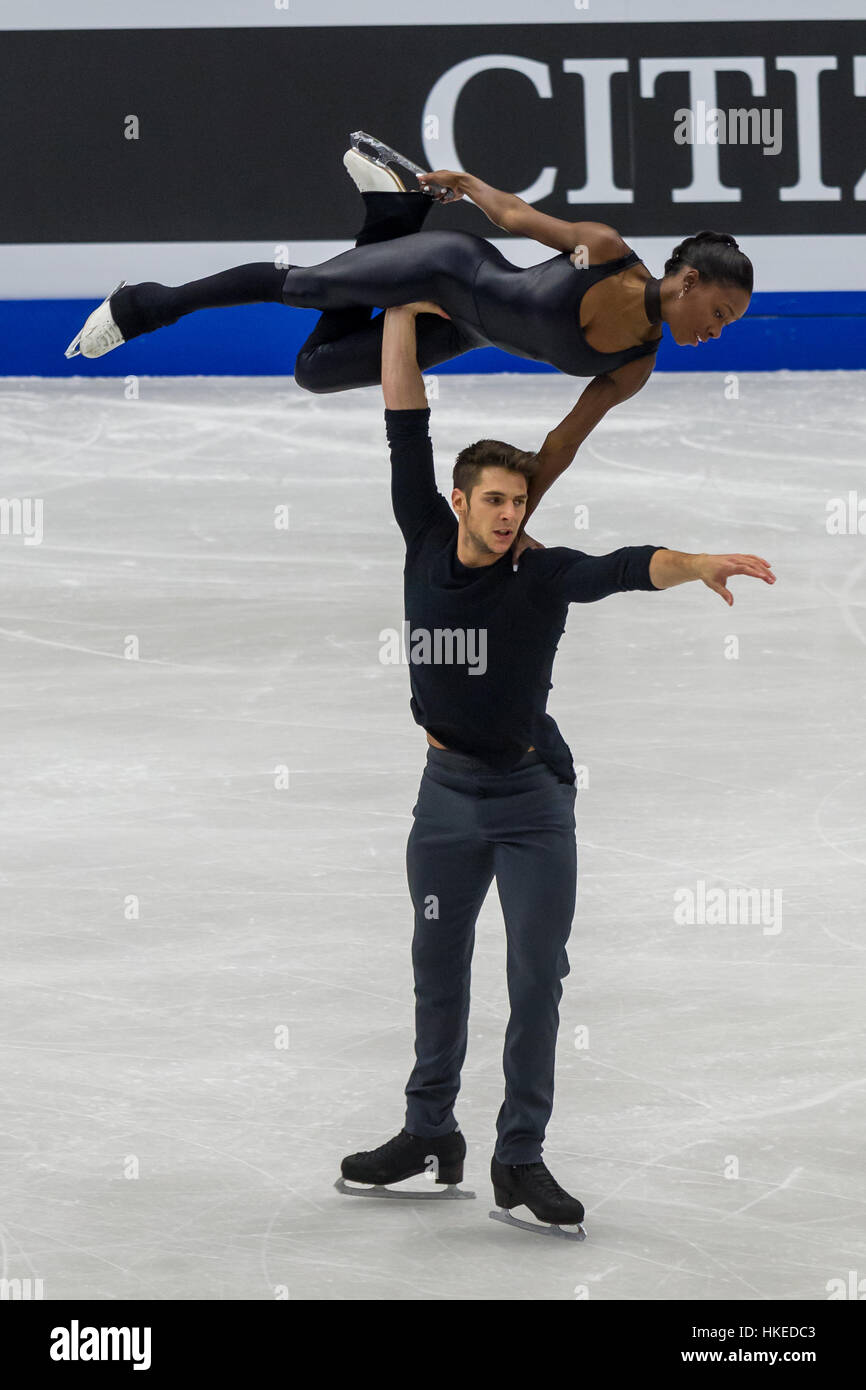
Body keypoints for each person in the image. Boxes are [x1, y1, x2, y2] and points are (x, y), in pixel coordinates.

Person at [334, 299, 775, 1238]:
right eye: (493, 500)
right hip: (443, 802)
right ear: (459, 501)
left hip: (532, 805)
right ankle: (428, 1133)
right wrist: (405, 305)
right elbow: (403, 418)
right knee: (436, 966)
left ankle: (519, 1155)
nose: (508, 515)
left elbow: (619, 567)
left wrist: (690, 561)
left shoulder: (538, 572)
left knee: (537, 977)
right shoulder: (422, 532)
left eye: (519, 501)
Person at [64, 133, 753, 523]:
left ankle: (386, 217)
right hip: (447, 271)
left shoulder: (635, 364)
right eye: (719, 315)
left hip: (461, 332)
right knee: (302, 286)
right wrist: (469, 183)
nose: (716, 332)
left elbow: (560, 444)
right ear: (688, 281)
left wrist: (511, 528)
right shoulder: (602, 252)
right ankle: (144, 307)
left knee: (315, 370)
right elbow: (515, 217)